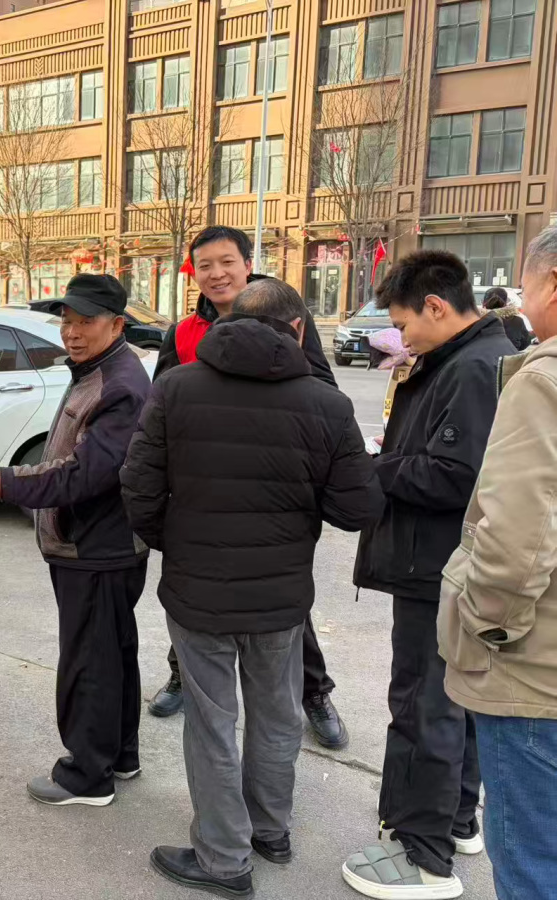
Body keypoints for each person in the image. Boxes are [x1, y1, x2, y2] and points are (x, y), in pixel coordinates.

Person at [121, 280, 383, 899]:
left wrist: (177, 542)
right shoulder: (326, 403)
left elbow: (138, 487)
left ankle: (223, 858)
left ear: (230, 320)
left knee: (211, 722)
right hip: (280, 595)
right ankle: (269, 830)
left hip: (197, 590)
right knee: (277, 714)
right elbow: (357, 509)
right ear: (298, 330)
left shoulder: (176, 387)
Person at [341, 250, 515, 900]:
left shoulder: (470, 369)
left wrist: (374, 467)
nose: (401, 337)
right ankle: (455, 818)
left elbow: (456, 476)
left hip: (434, 565)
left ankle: (423, 856)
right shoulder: (466, 358)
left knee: (423, 705)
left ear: (436, 307)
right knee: (450, 703)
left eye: (403, 324)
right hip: (443, 563)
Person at [147, 226, 348, 754]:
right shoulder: (184, 332)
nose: (217, 274)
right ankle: (182, 677)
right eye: (205, 265)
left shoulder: (287, 315)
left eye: (227, 262)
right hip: (206, 489)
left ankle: (315, 692)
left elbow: (323, 389)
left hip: (274, 489)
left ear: (246, 262)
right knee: (195, 603)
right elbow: (156, 411)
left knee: (284, 611)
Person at [0, 274, 150, 807]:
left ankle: (87, 776)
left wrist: (9, 483)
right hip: (97, 544)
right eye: (67, 321)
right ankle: (118, 755)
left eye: (85, 322)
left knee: (89, 663)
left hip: (97, 546)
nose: (72, 332)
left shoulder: (120, 385)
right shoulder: (97, 370)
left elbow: (85, 474)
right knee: (111, 655)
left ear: (117, 325)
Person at [437, 224, 557, 900]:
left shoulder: (543, 379)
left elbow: (516, 539)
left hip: (537, 674)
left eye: (526, 284)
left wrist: (487, 625)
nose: (521, 299)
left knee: (535, 863)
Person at [481, 286, 531, 351]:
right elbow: (525, 342)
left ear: (483, 303)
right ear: (506, 302)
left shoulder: (478, 321)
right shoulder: (517, 321)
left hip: (484, 356)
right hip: (511, 356)